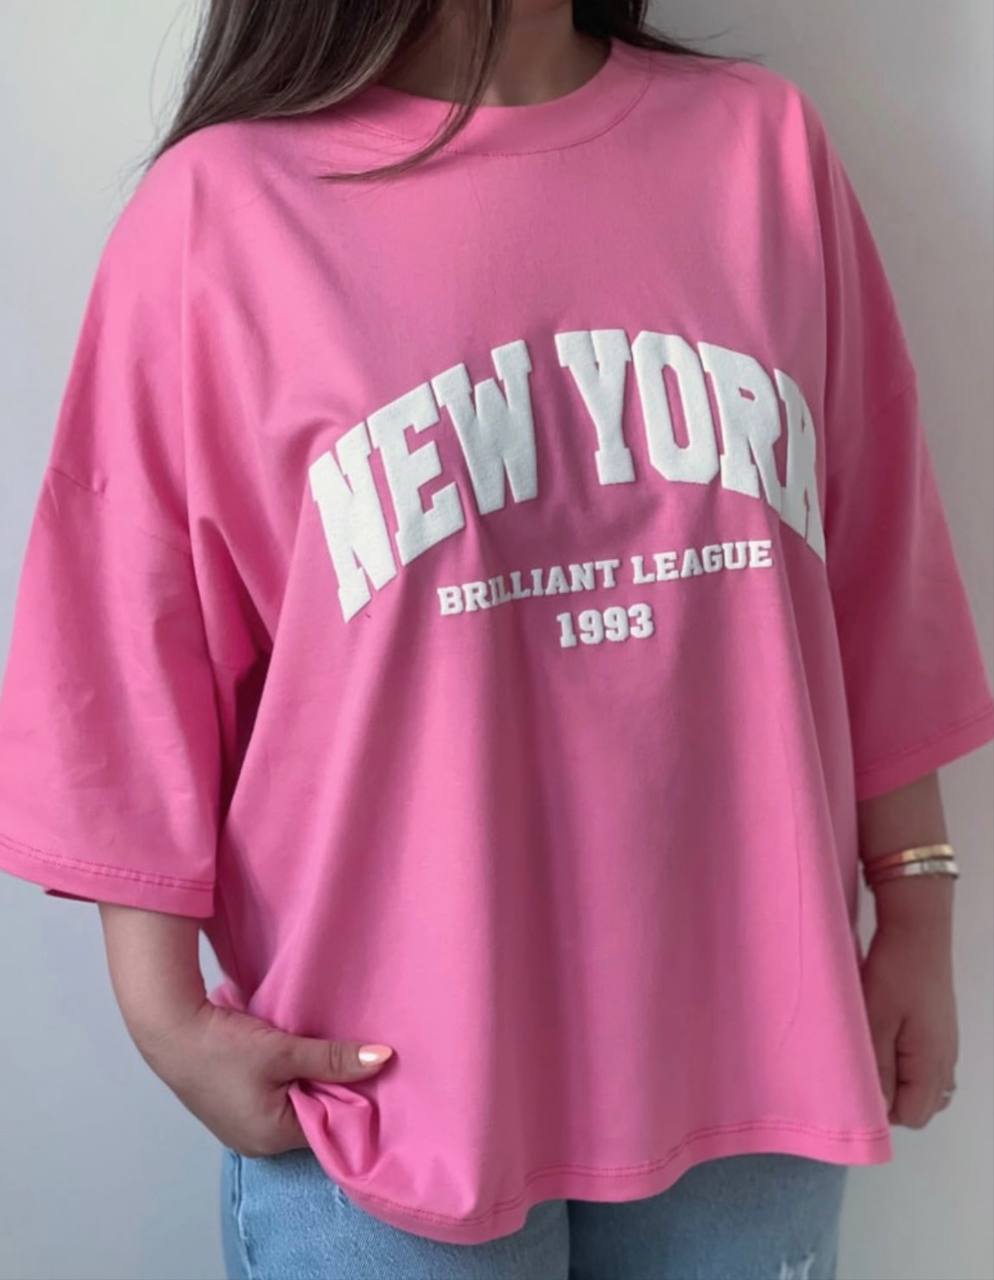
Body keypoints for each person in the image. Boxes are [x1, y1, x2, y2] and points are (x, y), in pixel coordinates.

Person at [1, 1, 992, 1277]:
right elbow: (123, 638)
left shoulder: (765, 154)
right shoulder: (221, 211)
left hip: (755, 1053)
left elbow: (872, 560)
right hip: (386, 1093)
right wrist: (163, 1014)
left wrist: (915, 898)